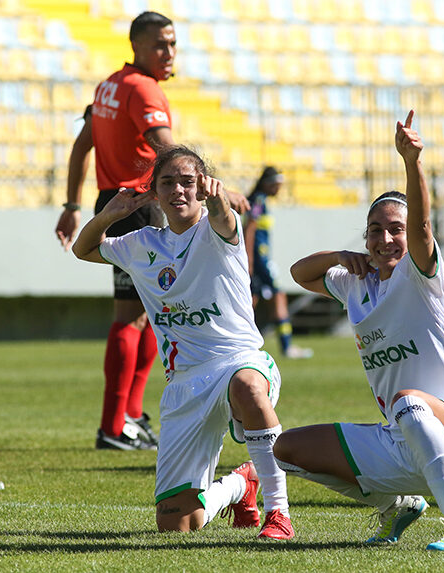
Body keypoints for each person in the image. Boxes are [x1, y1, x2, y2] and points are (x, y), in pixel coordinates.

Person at [274, 111, 444, 553]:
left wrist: (412, 161)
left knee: (408, 402)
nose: (386, 239)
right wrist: (341, 254)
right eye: (376, 231)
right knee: (286, 450)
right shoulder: (354, 282)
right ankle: (398, 504)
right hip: (402, 437)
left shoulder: (421, 275)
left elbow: (423, 230)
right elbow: (300, 272)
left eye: (395, 229)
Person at [72, 145, 294, 539]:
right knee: (177, 525)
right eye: (168, 183)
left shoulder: (218, 229)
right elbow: (82, 249)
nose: (179, 191)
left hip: (239, 362)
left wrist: (220, 196)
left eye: (188, 182)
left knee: (247, 385)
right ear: (154, 192)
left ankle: (279, 514)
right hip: (184, 383)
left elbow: (226, 217)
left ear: (202, 187)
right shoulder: (142, 244)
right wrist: (111, 214)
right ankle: (241, 485)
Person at [54, 11, 177, 451]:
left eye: (173, 44)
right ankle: (112, 426)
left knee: (146, 316)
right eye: (160, 45)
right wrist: (211, 185)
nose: (169, 53)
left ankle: (130, 416)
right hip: (137, 206)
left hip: (115, 202)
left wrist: (71, 205)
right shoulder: (142, 89)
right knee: (131, 317)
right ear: (137, 47)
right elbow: (167, 149)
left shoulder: (110, 84)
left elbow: (81, 145)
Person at [244, 166, 313, 359]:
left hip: (259, 258)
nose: (278, 189)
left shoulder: (261, 200)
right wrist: (249, 259)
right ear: (268, 183)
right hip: (258, 259)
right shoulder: (258, 200)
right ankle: (286, 346)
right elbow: (249, 227)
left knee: (251, 300)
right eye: (276, 185)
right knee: (277, 295)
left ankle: (245, 344)